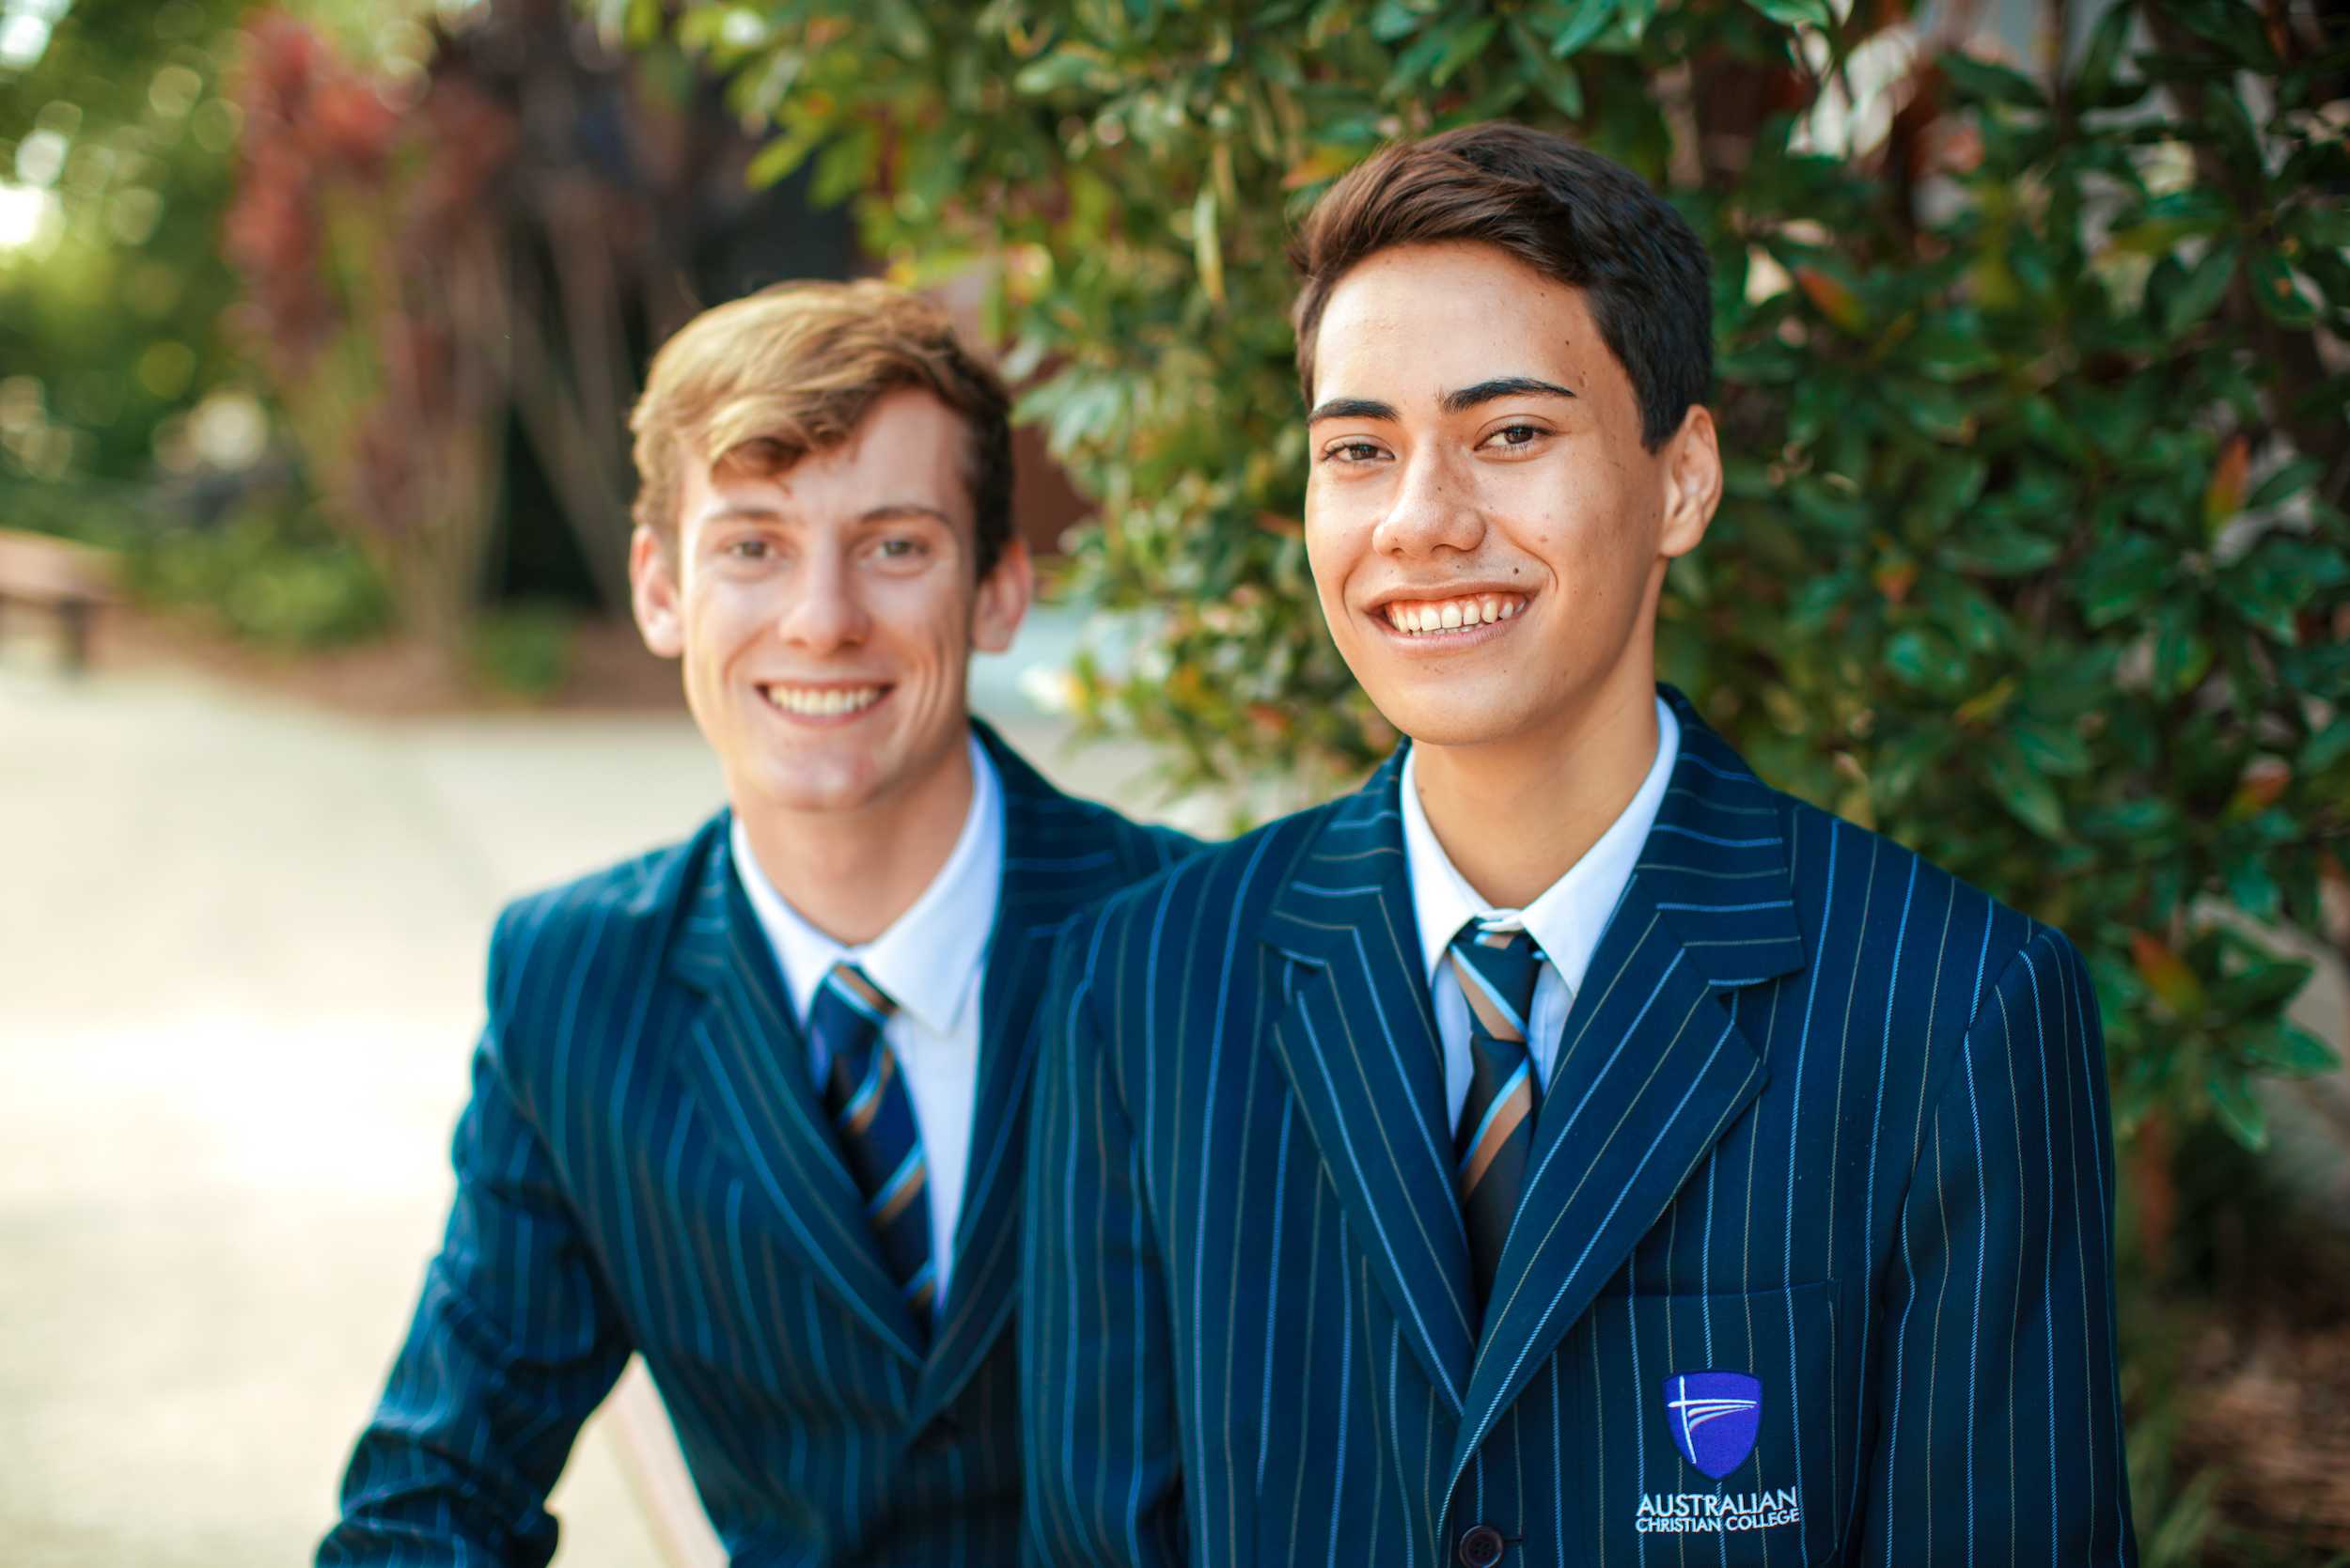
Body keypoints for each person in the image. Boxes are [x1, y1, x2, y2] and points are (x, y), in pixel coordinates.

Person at [1020, 123, 2134, 1567]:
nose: (1422, 521)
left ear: (1683, 480)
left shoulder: (1955, 1012)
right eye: (1358, 450)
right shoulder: (1146, 989)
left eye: (1512, 435)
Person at [319, 279, 1193, 1566]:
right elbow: (438, 1489)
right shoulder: (577, 982)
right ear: (661, 590)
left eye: (896, 545)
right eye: (752, 547)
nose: (822, 619)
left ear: (1000, 591)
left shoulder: (1196, 947)